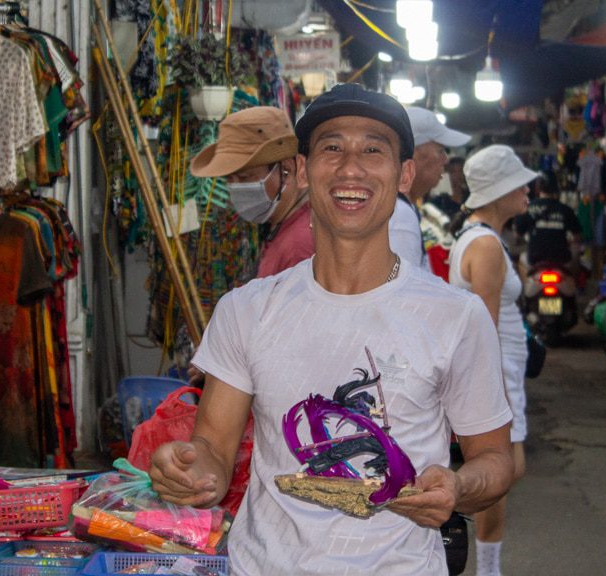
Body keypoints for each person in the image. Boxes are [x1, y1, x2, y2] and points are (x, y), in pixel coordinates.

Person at [150, 83, 515, 575]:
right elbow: (214, 447)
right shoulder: (246, 310)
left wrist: (457, 486)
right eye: (331, 148)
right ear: (302, 170)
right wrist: (191, 471)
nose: (350, 168)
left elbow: (495, 460)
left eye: (373, 149)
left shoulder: (456, 316)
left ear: (405, 174)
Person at [447, 145, 536, 576]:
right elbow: (485, 321)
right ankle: (481, 561)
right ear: (499, 192)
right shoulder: (484, 245)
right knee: (503, 469)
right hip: (498, 369)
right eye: (520, 184)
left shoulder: (481, 238)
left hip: (505, 368)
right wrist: (493, 386)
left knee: (507, 468)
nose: (528, 191)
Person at [190, 106, 314, 279]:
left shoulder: (299, 245)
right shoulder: (283, 225)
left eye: (244, 178)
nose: (235, 188)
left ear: (287, 168)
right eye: (229, 180)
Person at [388, 107, 471, 274]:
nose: (445, 160)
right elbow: (402, 293)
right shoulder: (398, 214)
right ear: (413, 155)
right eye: (440, 150)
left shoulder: (401, 207)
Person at [514, 170, 583, 273]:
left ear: (538, 188)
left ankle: (523, 288)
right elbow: (578, 236)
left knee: (522, 259)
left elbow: (518, 234)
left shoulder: (528, 209)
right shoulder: (566, 210)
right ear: (556, 187)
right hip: (561, 258)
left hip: (534, 259)